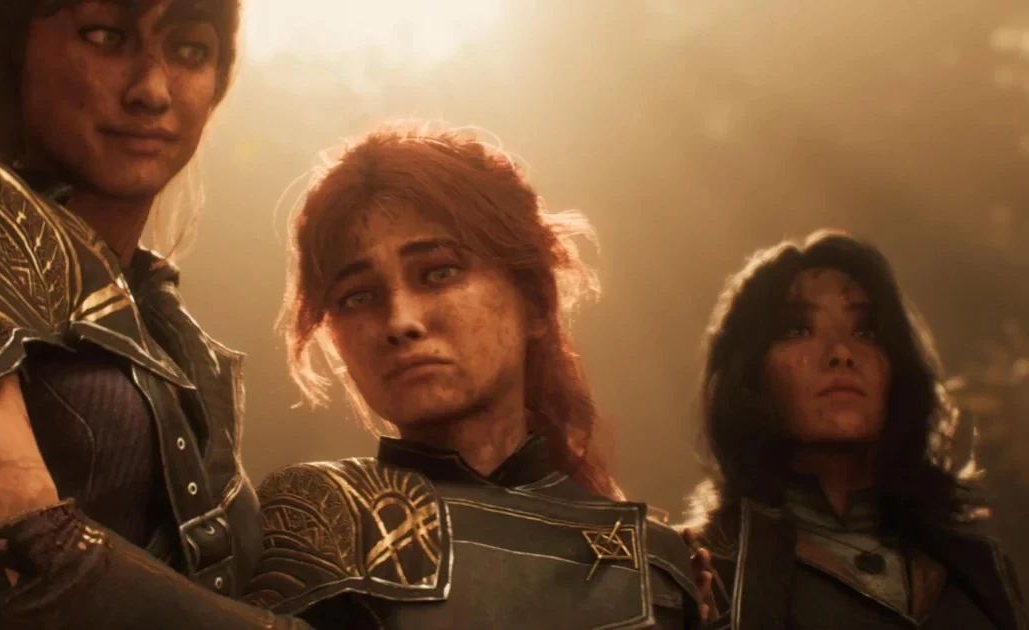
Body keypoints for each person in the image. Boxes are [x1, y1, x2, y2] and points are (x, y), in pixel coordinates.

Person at [0, 2, 304, 628]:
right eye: (105, 36)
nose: (152, 90)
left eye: (191, 49)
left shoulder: (174, 336)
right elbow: (17, 555)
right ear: (9, 52)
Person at [243, 122, 708, 629]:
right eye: (357, 297)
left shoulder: (653, 561)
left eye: (439, 272)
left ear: (535, 301)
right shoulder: (320, 518)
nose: (400, 321)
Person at [683, 230, 1026, 629]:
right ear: (750, 372)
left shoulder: (979, 571)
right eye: (798, 330)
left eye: (866, 332)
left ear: (895, 367)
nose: (842, 353)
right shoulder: (701, 570)